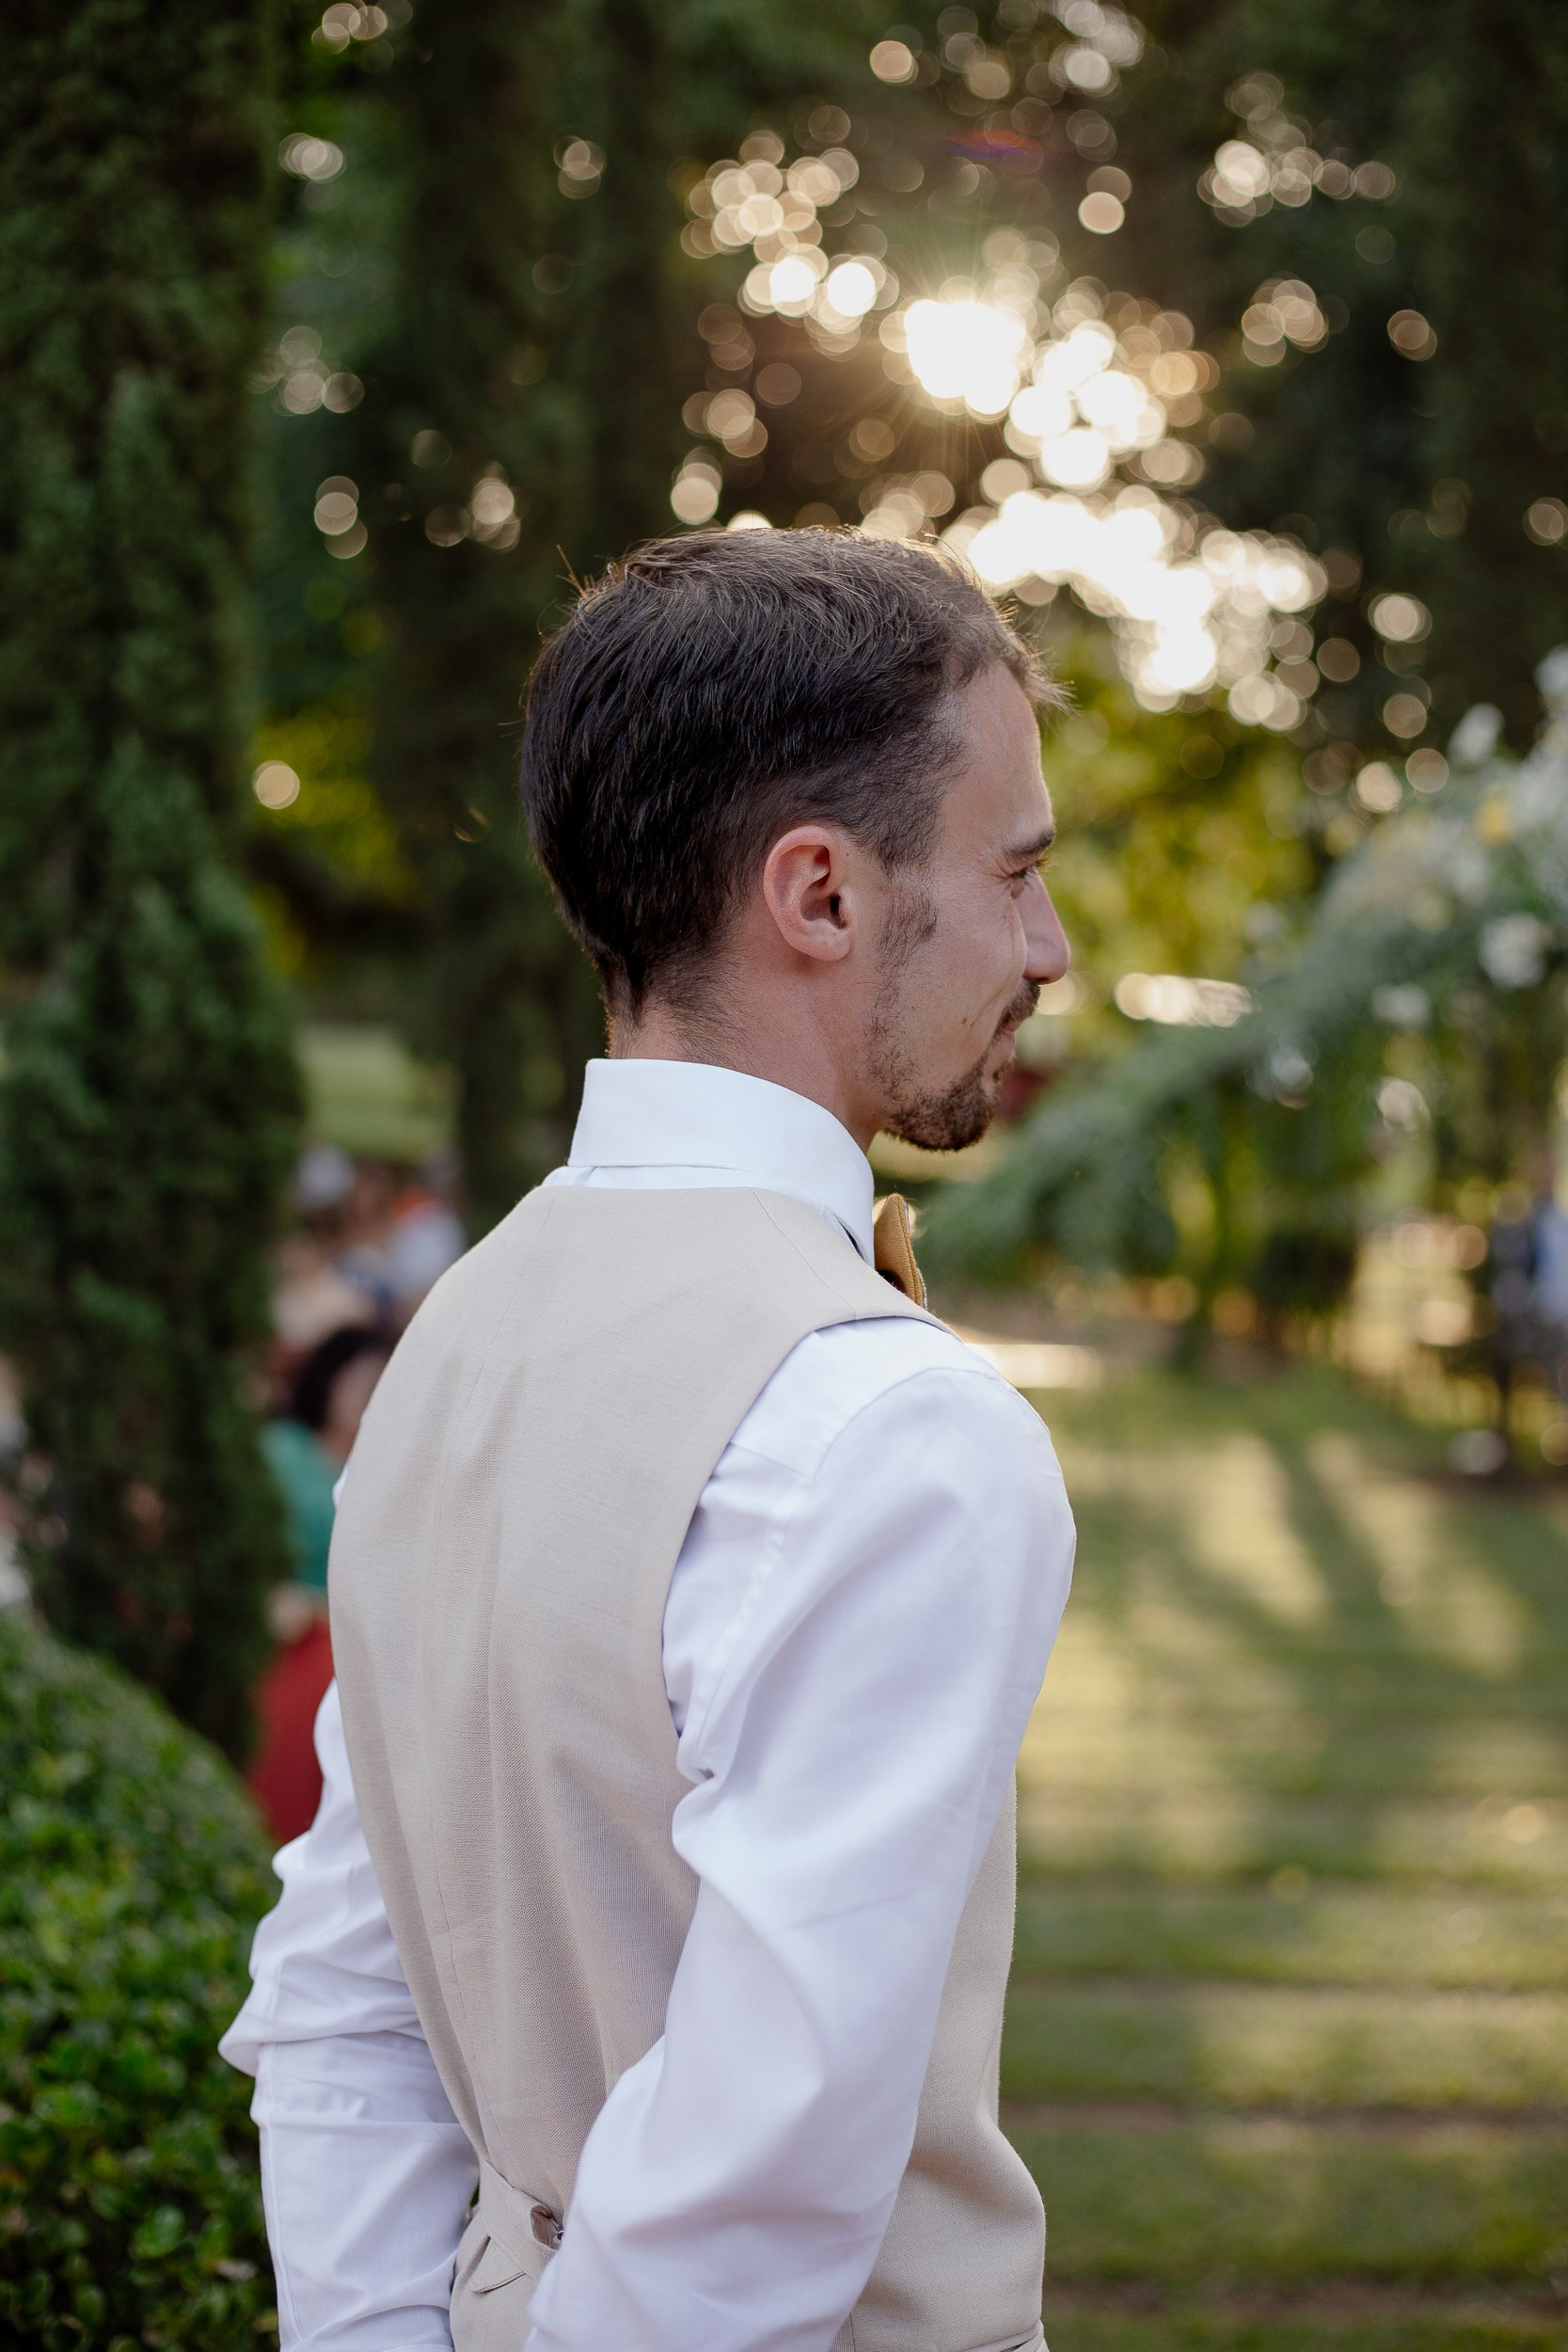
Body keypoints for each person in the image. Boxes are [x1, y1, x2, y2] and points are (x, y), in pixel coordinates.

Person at [221, 530, 1078, 2352]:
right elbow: (746, 2209)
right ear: (818, 893)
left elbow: (345, 1998)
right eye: (1013, 873)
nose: (1046, 948)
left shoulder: (443, 1344)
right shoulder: (898, 1427)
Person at [248, 1326, 392, 1842]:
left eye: (383, 1386)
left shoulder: (389, 1472)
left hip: (359, 1651)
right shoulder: (282, 1451)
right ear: (331, 1378)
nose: (370, 1398)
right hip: (290, 1635)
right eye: (363, 1383)